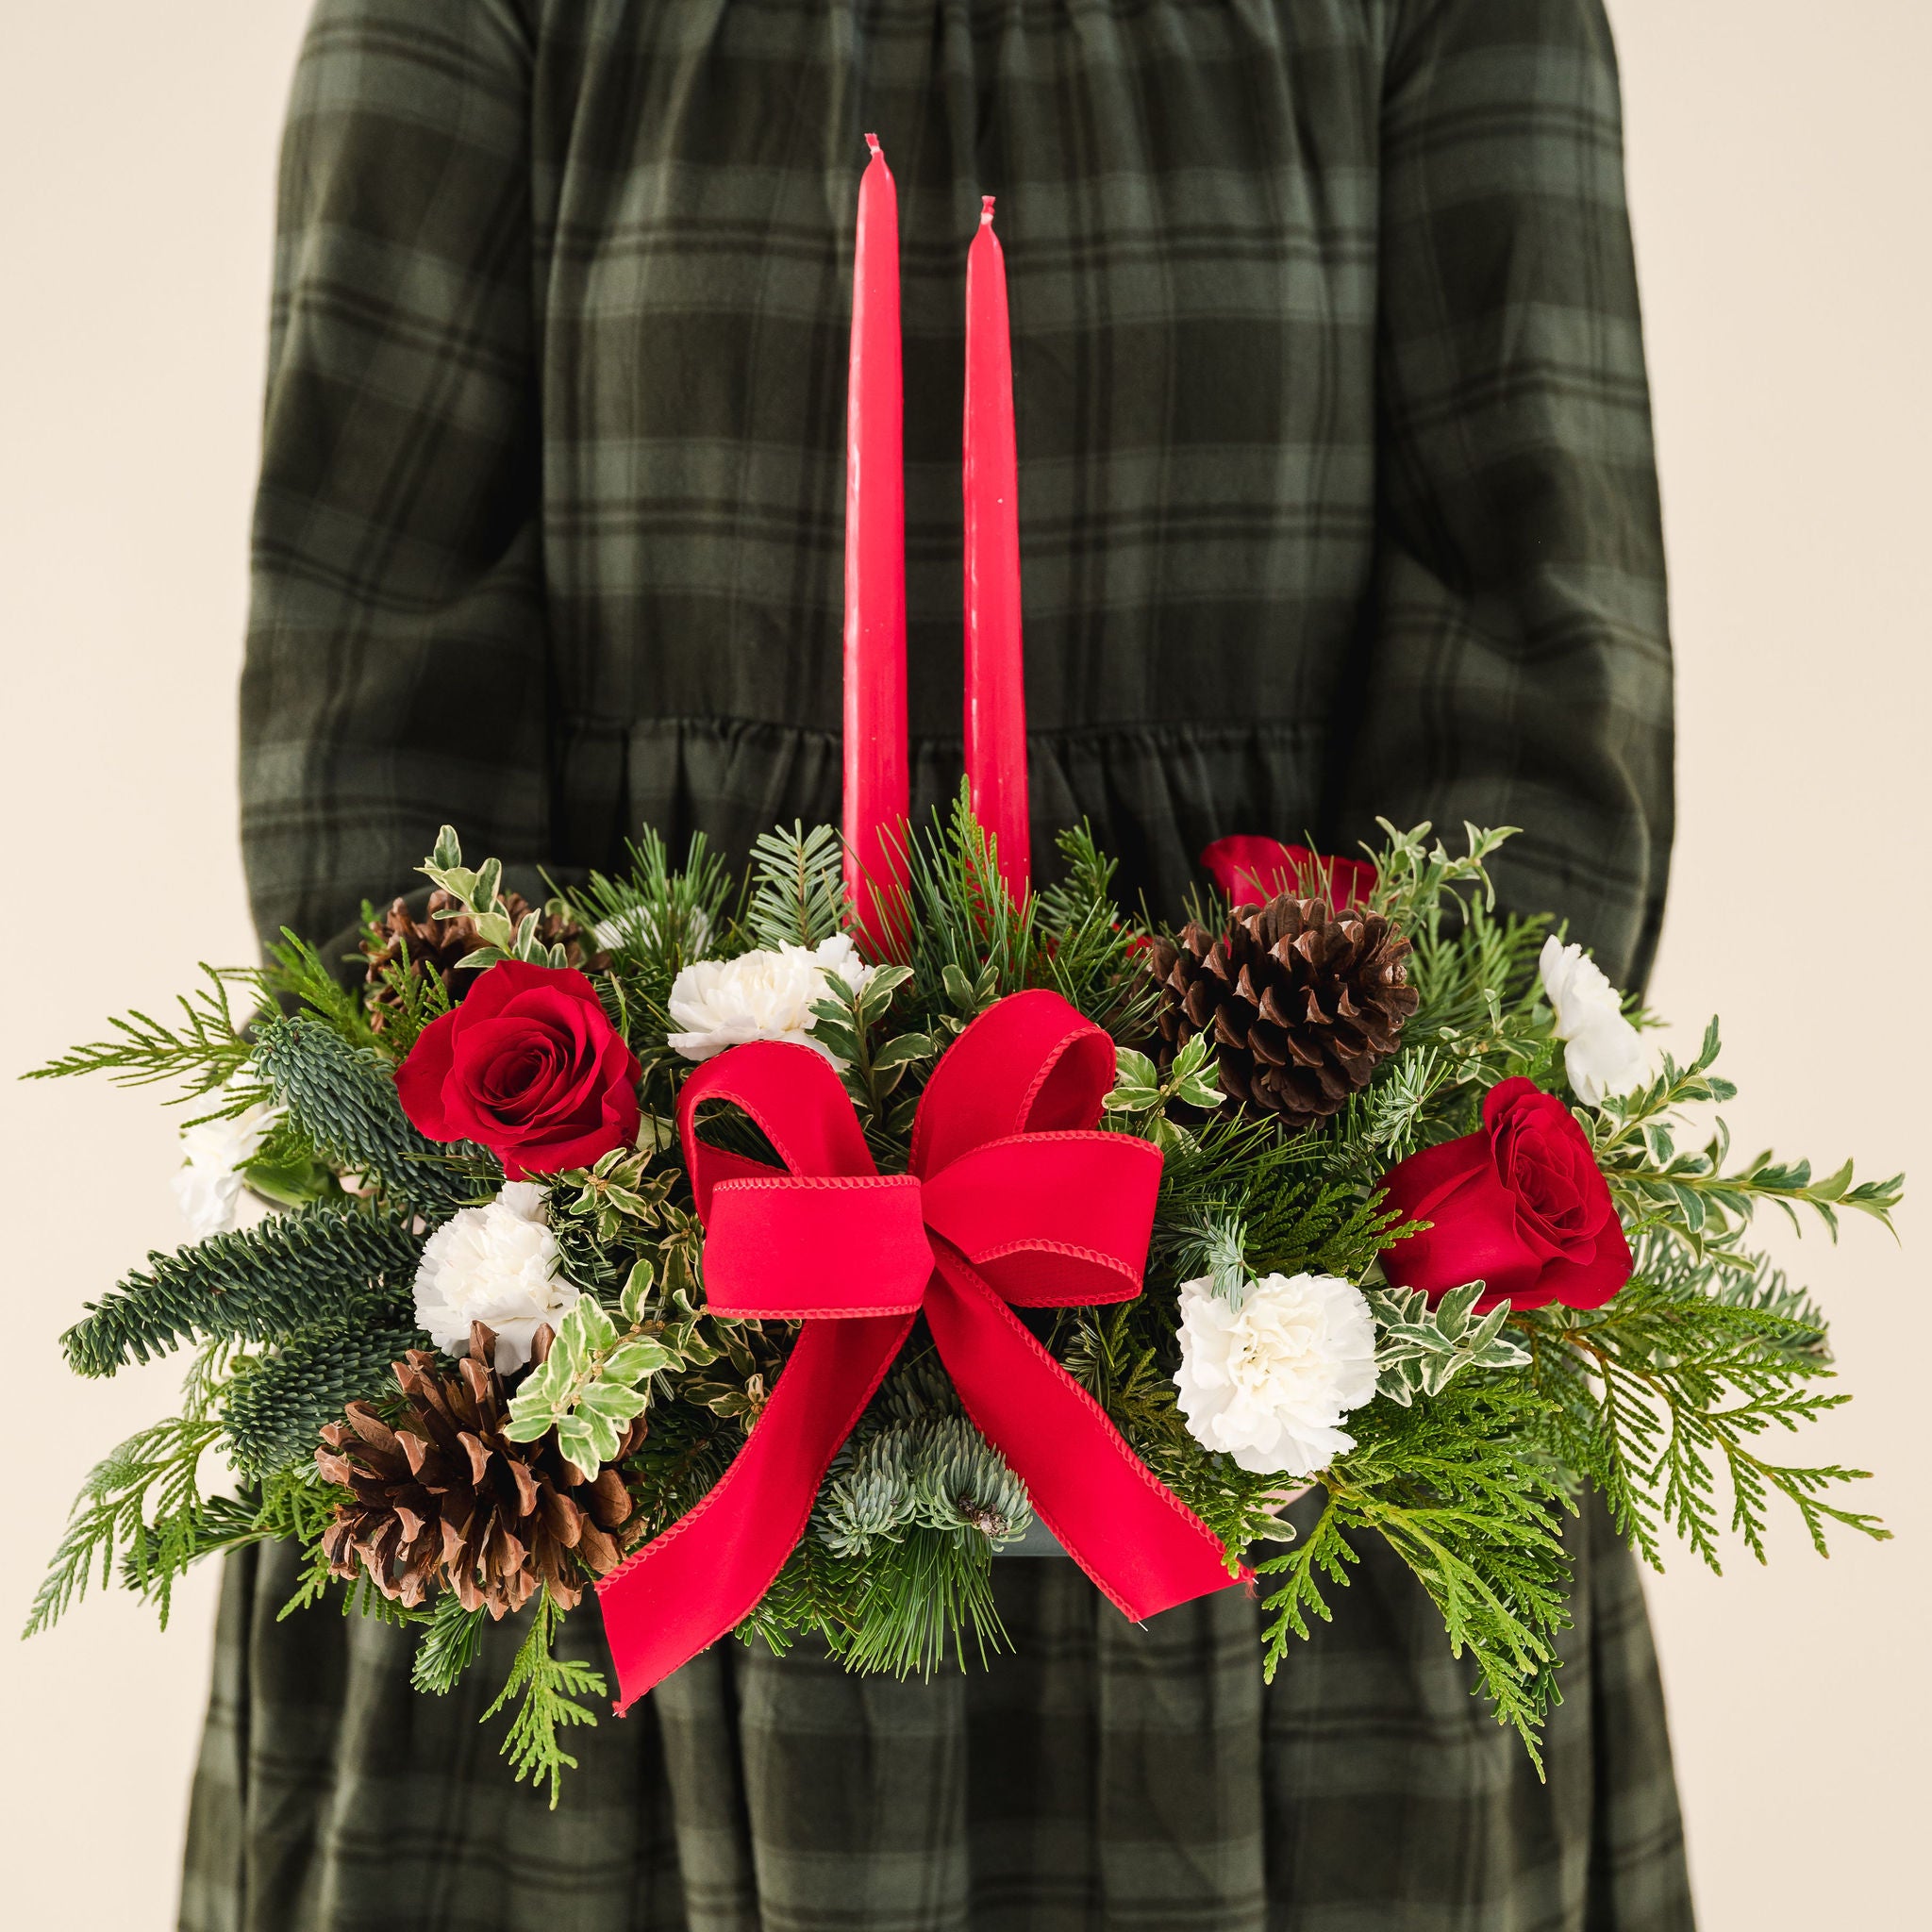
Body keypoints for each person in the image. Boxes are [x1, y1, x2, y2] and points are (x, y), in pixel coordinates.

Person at [188, 2, 1687, 1926]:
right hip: (631, 1447)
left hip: (1260, 1465)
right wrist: (642, 1266)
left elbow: (1540, 708)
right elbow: (364, 718)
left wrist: (1239, 1283)